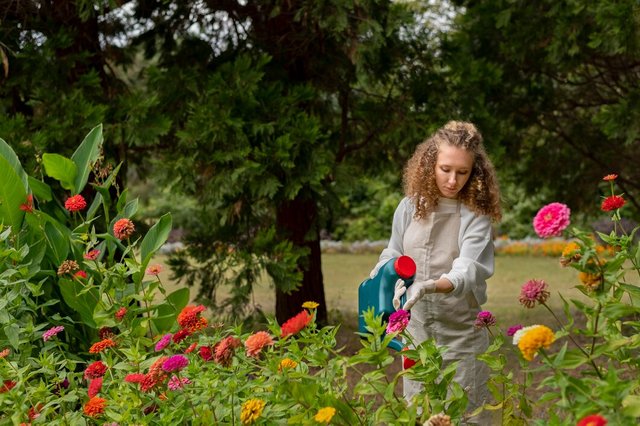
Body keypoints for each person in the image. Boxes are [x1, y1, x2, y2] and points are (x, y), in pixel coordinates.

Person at [369, 120, 502, 425]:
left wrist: (427, 286)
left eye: (462, 172)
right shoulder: (408, 207)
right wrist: (384, 267)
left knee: (468, 416)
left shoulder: (476, 216)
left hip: (462, 337)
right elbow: (394, 250)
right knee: (422, 415)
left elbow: (466, 270)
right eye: (445, 169)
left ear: (475, 172)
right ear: (429, 163)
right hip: (416, 336)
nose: (453, 180)